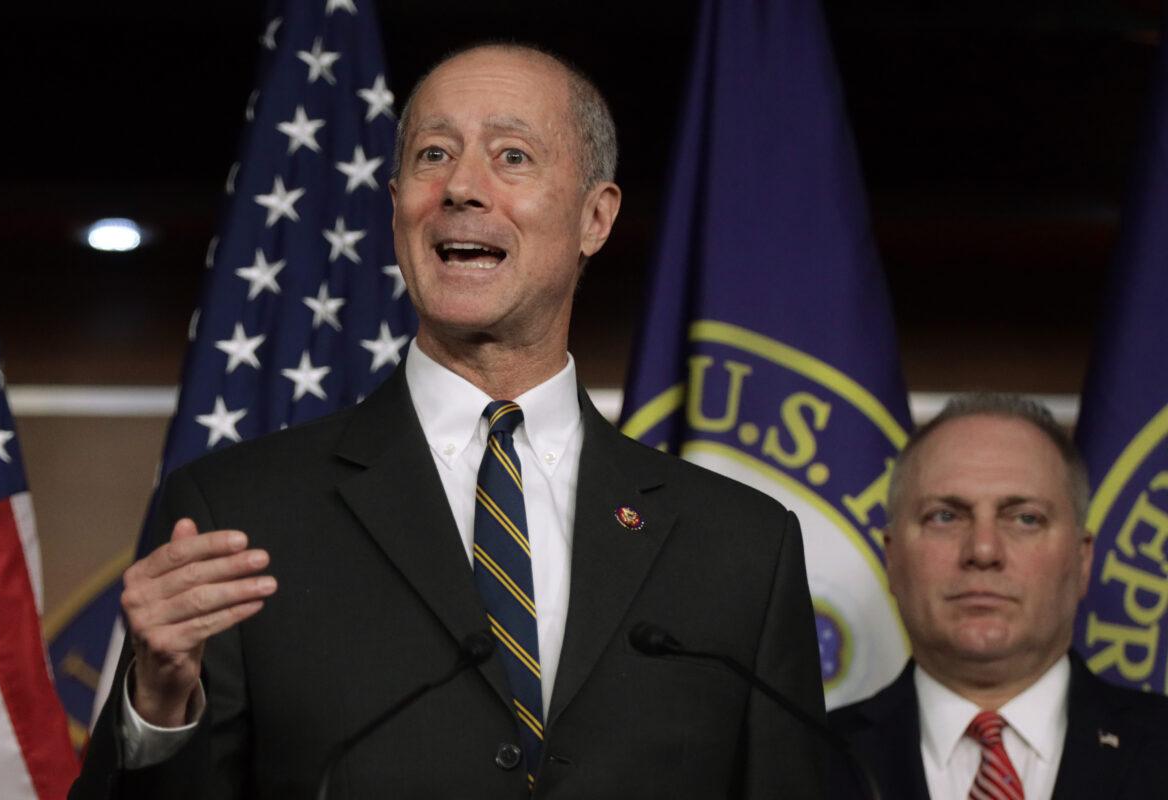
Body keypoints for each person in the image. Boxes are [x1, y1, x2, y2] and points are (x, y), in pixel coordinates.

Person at [71, 43, 825, 799]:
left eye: (513, 156)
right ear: (396, 206)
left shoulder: (740, 550)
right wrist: (158, 707)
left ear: (595, 216)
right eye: (435, 154)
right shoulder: (241, 513)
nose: (462, 186)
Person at [828, 393, 1168, 800]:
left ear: (1081, 559)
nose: (983, 551)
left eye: (1025, 518)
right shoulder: (804, 762)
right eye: (945, 516)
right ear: (893, 558)